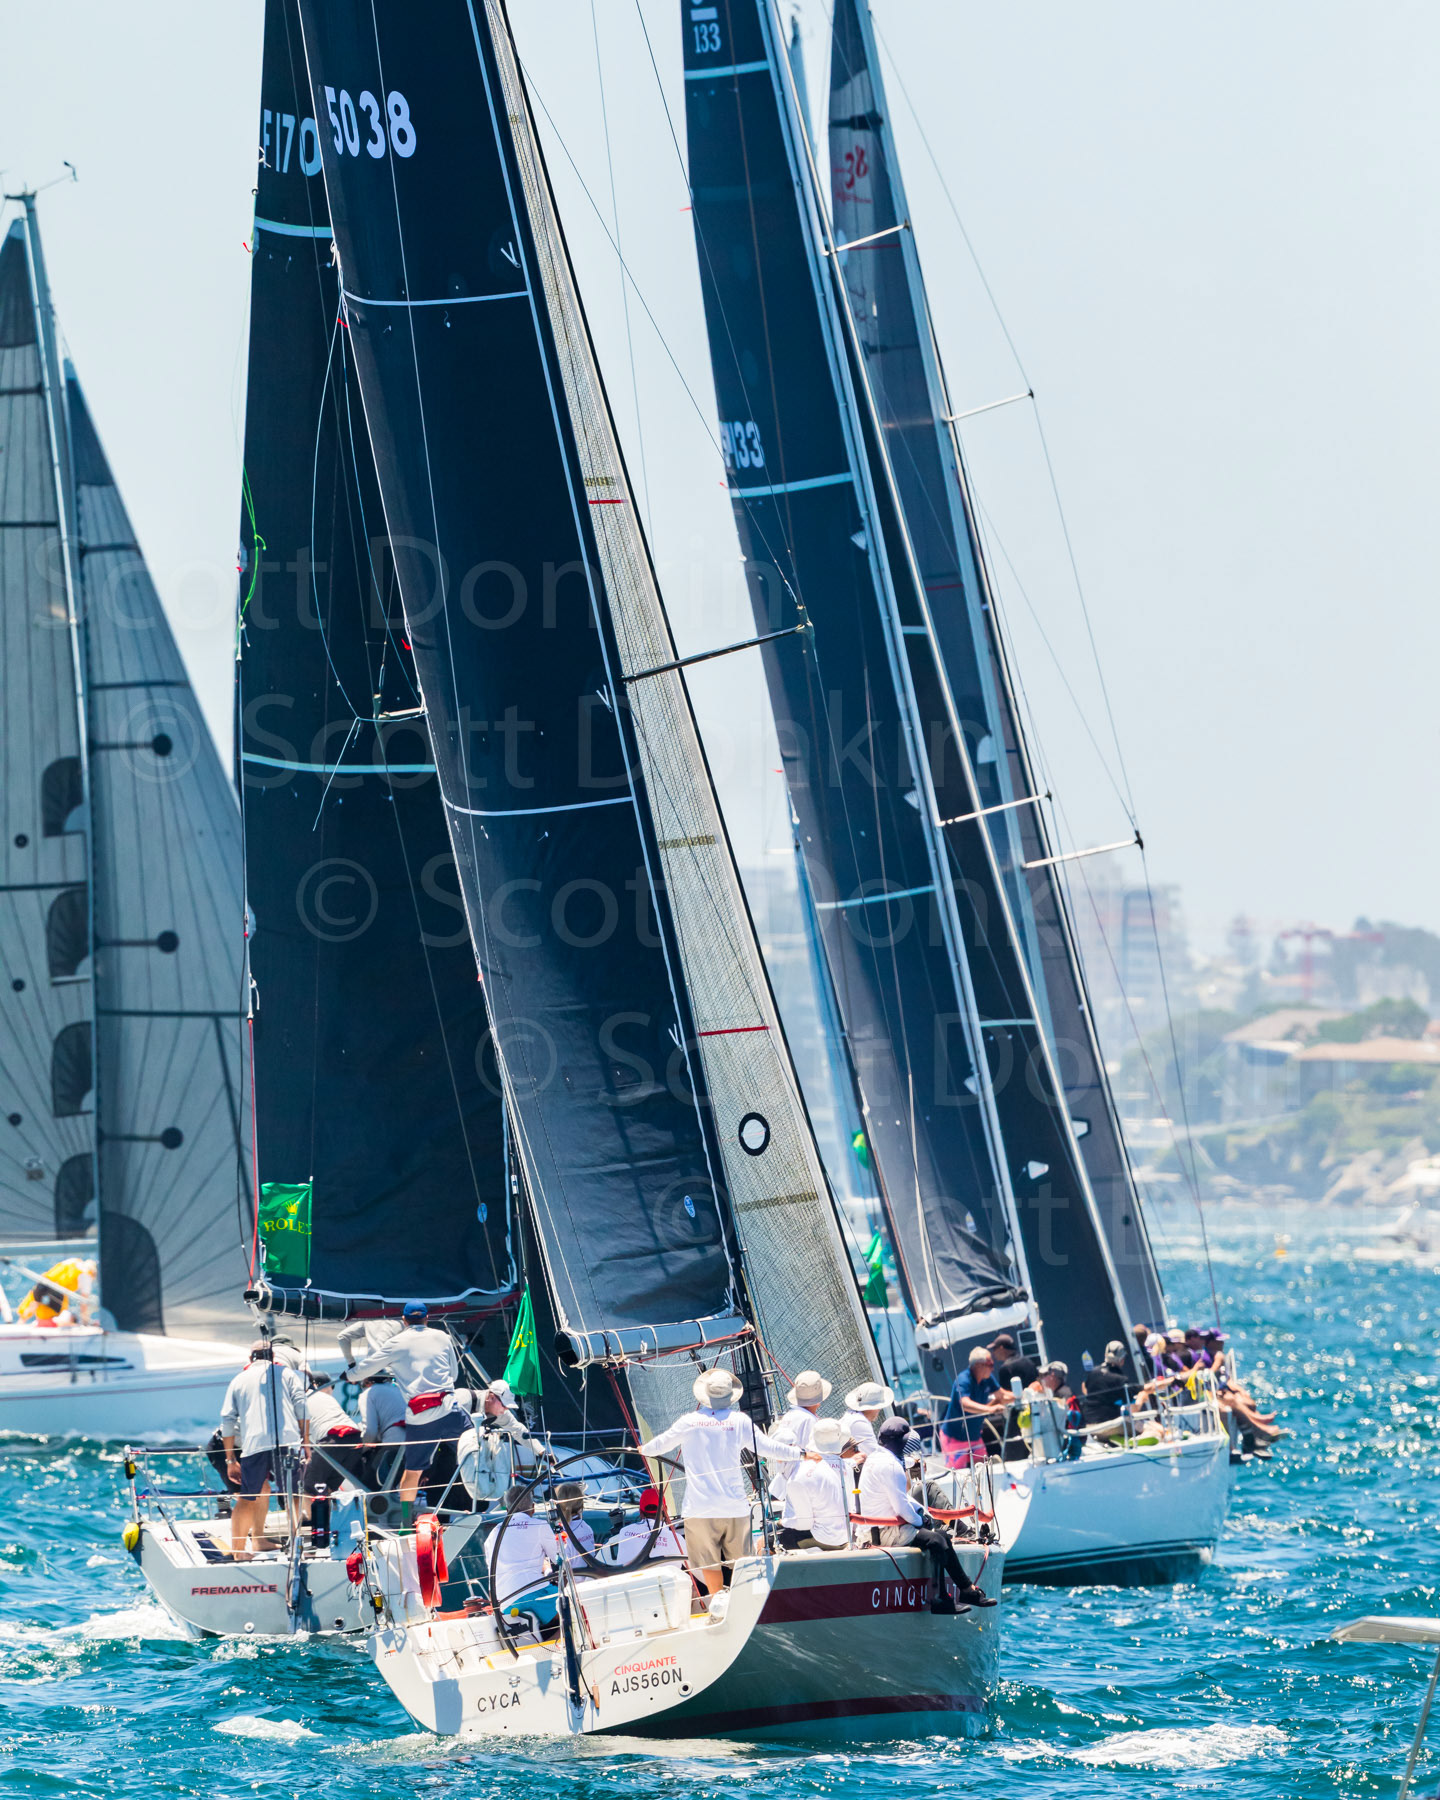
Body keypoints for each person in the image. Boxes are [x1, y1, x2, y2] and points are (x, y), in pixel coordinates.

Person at [633, 1366, 802, 1595]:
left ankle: (716, 1604)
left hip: (700, 1509)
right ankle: (745, 1604)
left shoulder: (689, 1421)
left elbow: (660, 1445)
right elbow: (768, 1448)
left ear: (704, 1395)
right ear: (730, 1396)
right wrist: (800, 1454)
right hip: (734, 1507)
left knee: (708, 1563)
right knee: (743, 1564)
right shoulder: (740, 1421)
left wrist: (643, 1449)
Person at [857, 1417, 997, 1613]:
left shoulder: (877, 1458)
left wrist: (923, 1514)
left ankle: (967, 1590)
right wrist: (921, 1520)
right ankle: (939, 1599)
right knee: (936, 1541)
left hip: (885, 1527)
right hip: (883, 1531)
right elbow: (901, 1508)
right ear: (899, 1442)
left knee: (943, 1536)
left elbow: (902, 1499)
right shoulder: (890, 1465)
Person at [346, 1300, 468, 1516]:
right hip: (449, 1409)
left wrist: (349, 1375)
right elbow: (454, 1375)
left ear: (404, 1321)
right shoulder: (442, 1337)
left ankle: (404, 1524)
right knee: (475, 1449)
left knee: (412, 1472)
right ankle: (489, 1505)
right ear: (427, 1318)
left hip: (421, 1417)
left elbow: (367, 1367)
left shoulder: (396, 1343)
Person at [219, 1340, 310, 1560]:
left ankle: (240, 1552)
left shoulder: (238, 1379)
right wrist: (306, 1442)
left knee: (248, 1497)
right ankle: (296, 1548)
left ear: (251, 1358)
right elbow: (302, 1406)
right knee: (292, 1495)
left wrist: (230, 1459)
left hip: (254, 1445)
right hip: (287, 1443)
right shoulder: (286, 1374)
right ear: (272, 1356)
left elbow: (227, 1420)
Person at [486, 1482, 560, 1630]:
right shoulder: (540, 1526)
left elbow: (491, 1573)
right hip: (536, 1593)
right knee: (573, 1609)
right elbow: (557, 1559)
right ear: (533, 1507)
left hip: (507, 1602)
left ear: (507, 1510)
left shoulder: (494, 1533)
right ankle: (559, 1644)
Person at [778, 1419, 857, 1551]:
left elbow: (804, 1523)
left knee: (765, 1540)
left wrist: (782, 1522)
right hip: (846, 1536)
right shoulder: (847, 1467)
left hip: (822, 1539)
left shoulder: (801, 1474)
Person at [938, 1345, 1008, 1468]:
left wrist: (1023, 1394)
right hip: (954, 1438)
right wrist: (990, 1409)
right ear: (979, 1365)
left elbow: (1002, 1395)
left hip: (974, 1436)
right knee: (957, 1475)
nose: (993, 1368)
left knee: (984, 1470)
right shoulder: (963, 1379)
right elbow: (965, 1404)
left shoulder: (988, 1378)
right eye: (990, 1364)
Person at [300, 1371, 364, 1496]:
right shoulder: (327, 1398)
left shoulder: (299, 1401)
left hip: (333, 1440)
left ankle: (311, 1516)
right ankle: (327, 1515)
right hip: (355, 1440)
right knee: (329, 1488)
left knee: (309, 1486)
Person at [612, 1486, 687, 1564]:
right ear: (665, 1510)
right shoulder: (678, 1539)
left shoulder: (624, 1532)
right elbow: (695, 1570)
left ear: (640, 1512)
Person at [1078, 1340, 1143, 1428]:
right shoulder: (1120, 1379)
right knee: (1154, 1429)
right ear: (1122, 1359)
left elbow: (1084, 1387)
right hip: (1110, 1426)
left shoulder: (1093, 1373)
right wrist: (1142, 1397)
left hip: (1089, 1425)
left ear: (1105, 1355)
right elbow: (1133, 1409)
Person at [18, 1256, 96, 1326]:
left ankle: (19, 1325)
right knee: (51, 1319)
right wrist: (85, 1322)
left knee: (31, 1307)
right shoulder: (87, 1275)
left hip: (43, 1282)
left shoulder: (74, 1261)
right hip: (57, 1292)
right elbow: (84, 1301)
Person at [841, 1380, 893, 1457]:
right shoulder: (859, 1422)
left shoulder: (851, 1415)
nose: (879, 1410)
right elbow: (875, 1454)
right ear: (874, 1407)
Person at [553, 1481, 597, 1566]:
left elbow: (560, 1563)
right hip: (590, 1577)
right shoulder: (587, 1528)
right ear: (581, 1505)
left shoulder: (562, 1533)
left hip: (574, 1578)